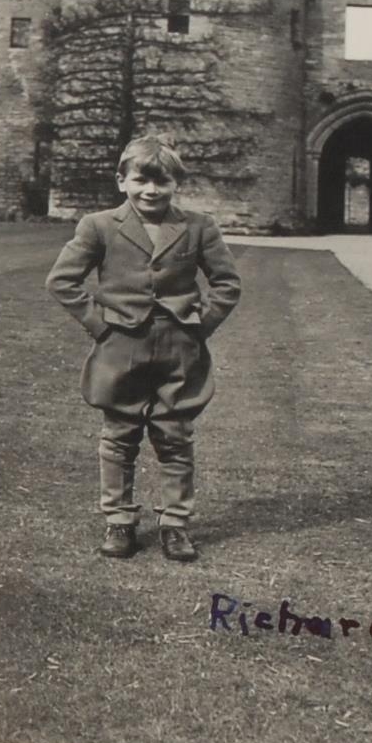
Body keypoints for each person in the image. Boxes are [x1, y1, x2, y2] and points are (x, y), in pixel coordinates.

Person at [44, 135, 243, 564]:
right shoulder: (98, 225)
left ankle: (175, 525)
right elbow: (63, 280)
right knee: (118, 435)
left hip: (179, 348)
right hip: (121, 346)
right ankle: (119, 521)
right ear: (122, 181)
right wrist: (100, 326)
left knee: (175, 436)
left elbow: (227, 284)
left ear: (176, 184)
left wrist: (198, 327)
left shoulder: (198, 226)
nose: (151, 190)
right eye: (141, 180)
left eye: (162, 182)